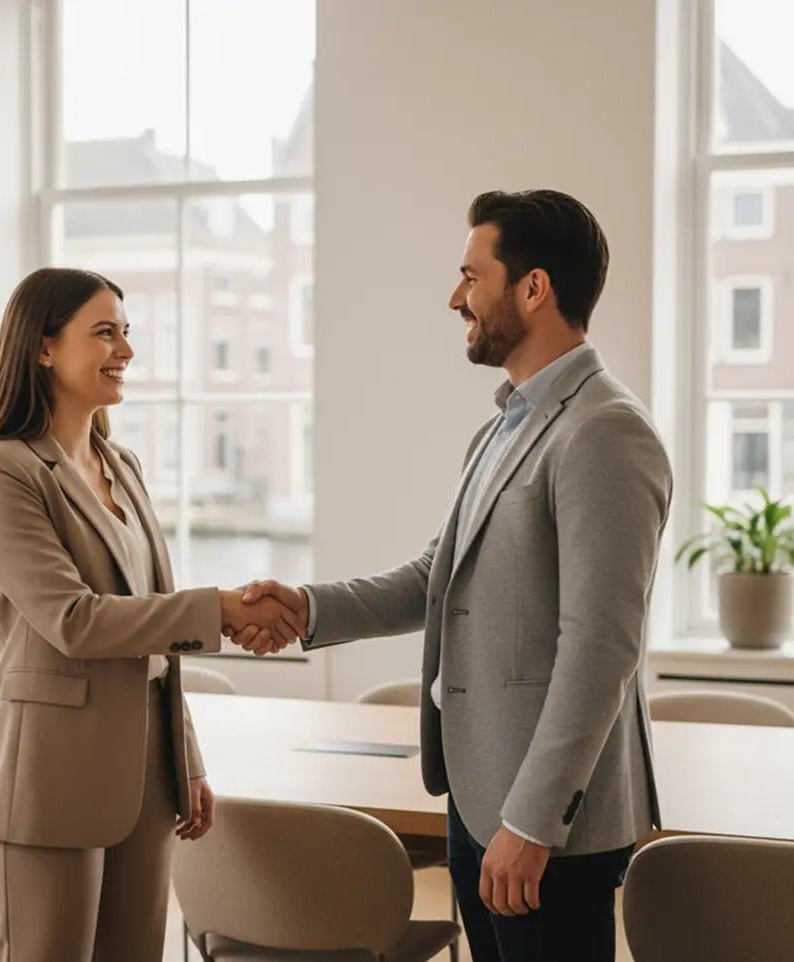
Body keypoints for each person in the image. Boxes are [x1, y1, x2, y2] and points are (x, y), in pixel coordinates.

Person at [233, 190, 672, 962]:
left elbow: (601, 648)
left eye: (472, 277)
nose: (454, 298)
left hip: (545, 828)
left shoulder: (605, 431)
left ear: (533, 289)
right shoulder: (504, 428)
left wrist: (532, 821)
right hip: (480, 799)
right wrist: (306, 607)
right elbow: (437, 576)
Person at [0, 267, 298, 962]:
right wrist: (219, 609)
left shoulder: (123, 466)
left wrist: (185, 759)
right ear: (43, 347)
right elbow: (75, 620)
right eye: (105, 332)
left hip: (146, 776)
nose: (127, 350)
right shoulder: (0, 472)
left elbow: (155, 635)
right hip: (50, 778)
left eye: (127, 332)